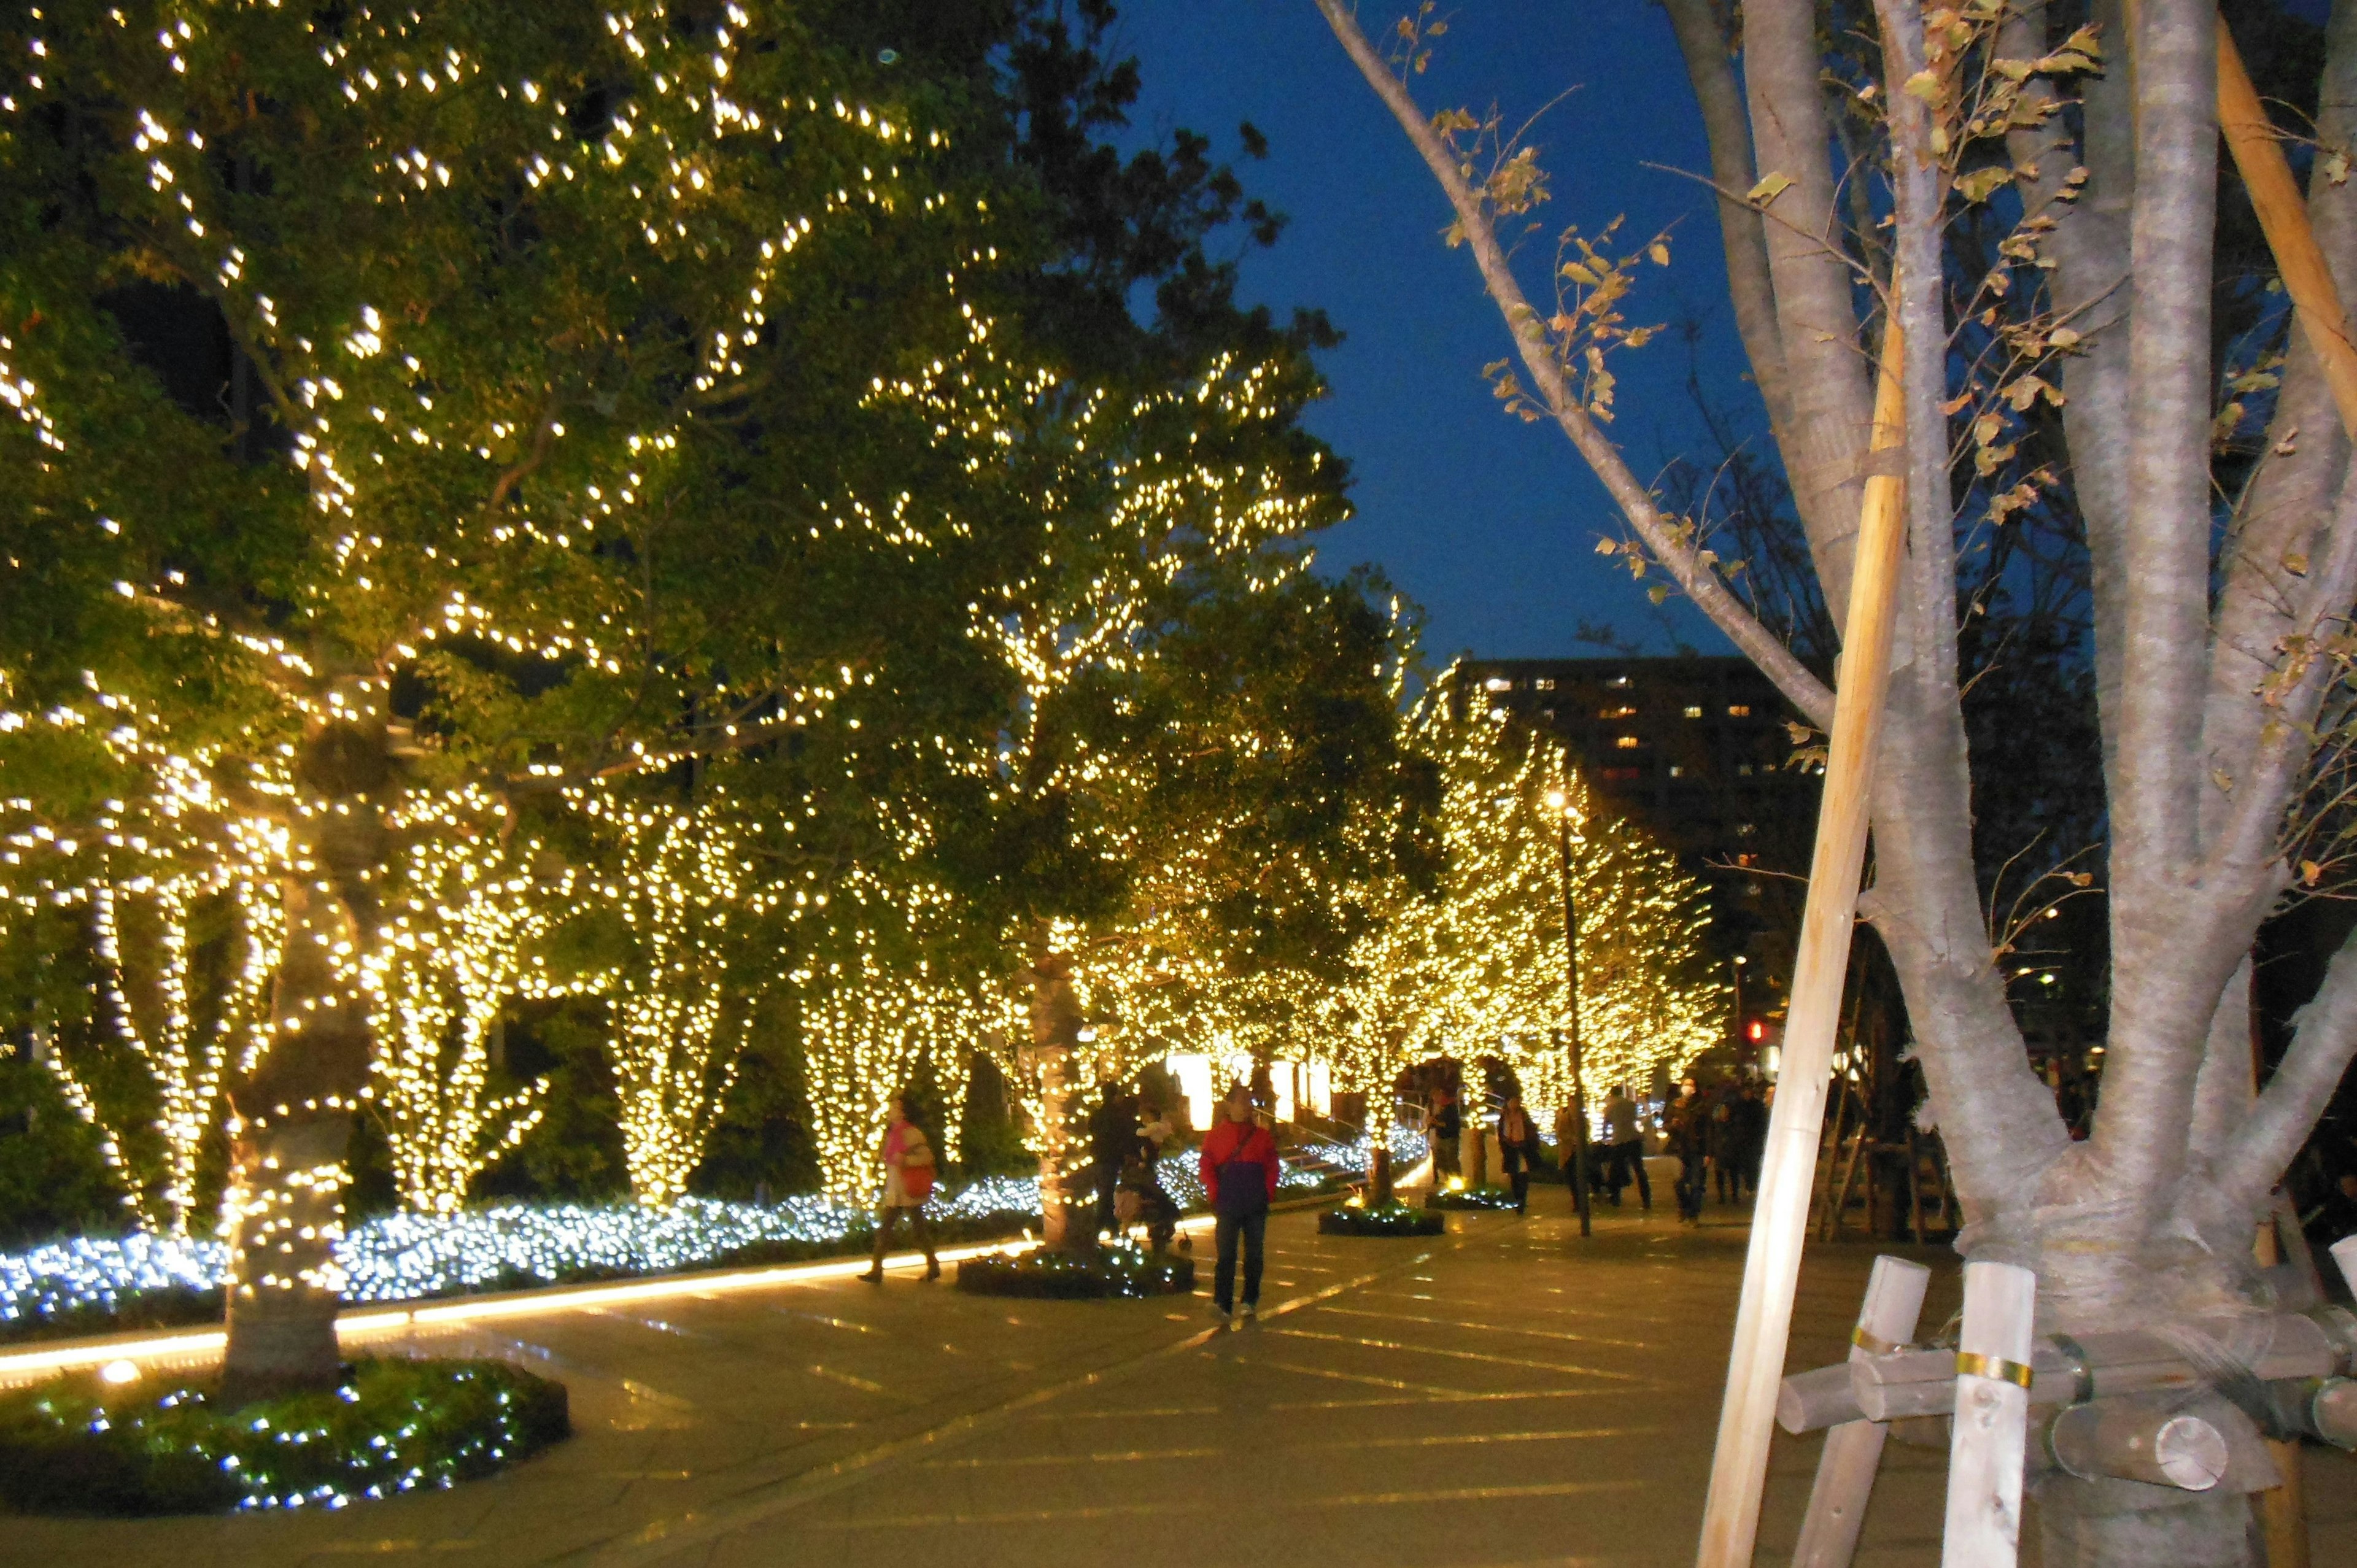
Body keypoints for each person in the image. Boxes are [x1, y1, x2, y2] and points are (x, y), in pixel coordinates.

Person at [1199, 1086, 1279, 1321]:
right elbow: (1206, 1167)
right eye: (1242, 1101)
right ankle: (1223, 1303)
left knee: (1253, 1253)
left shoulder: (1262, 1136)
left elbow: (1272, 1165)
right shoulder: (1215, 1136)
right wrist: (1215, 1193)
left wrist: (1267, 1192)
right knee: (1226, 1254)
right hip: (1228, 1201)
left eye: (1249, 1101)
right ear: (1229, 1104)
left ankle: (1250, 1299)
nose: (1246, 1106)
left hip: (1255, 1202)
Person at [858, 1095, 940, 1281]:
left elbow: (927, 1158)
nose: (890, 1111)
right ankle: (878, 1270)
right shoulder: (893, 1133)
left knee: (912, 1230)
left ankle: (879, 1270)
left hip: (909, 1190)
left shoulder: (911, 1133)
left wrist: (907, 1161)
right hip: (897, 1190)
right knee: (891, 1229)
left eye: (894, 1108)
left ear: (903, 1112)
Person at [1088, 1079, 1135, 1237]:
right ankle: (1103, 1224)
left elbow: (1092, 1131)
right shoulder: (1119, 1115)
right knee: (1107, 1191)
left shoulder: (1097, 1114)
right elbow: (1126, 1136)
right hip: (1112, 1158)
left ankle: (1106, 1224)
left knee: (1104, 1191)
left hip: (1098, 1157)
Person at [1601, 1083, 1651, 1210]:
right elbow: (1635, 1118)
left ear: (1612, 1094)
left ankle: (1616, 1197)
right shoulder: (1630, 1104)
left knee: (1615, 1169)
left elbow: (1606, 1123)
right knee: (1639, 1169)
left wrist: (1605, 1136)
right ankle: (1646, 1199)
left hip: (1620, 1140)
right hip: (1634, 1139)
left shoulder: (1610, 1106)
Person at [1666, 1077, 1708, 1224]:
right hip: (1679, 1150)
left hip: (1697, 1150)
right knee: (1679, 1182)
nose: (1688, 1088)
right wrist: (1673, 1125)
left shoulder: (1701, 1107)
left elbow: (1708, 1130)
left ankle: (1693, 1215)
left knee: (1697, 1184)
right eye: (1685, 1085)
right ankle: (1684, 1207)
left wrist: (1708, 1152)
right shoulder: (1675, 1105)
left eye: (1691, 1085)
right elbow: (1666, 1126)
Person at [1496, 1094, 1542, 1214]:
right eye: (1512, 1102)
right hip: (1510, 1149)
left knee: (1523, 1176)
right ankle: (1517, 1199)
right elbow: (1501, 1134)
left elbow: (1530, 1131)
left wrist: (1530, 1144)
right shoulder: (1504, 1117)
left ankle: (1522, 1200)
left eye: (1516, 1102)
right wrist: (1504, 1146)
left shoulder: (1524, 1116)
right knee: (1514, 1177)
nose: (1514, 1105)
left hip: (1523, 1148)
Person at [1426, 1087, 1461, 1185]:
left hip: (1450, 1137)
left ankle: (1456, 1179)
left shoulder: (1450, 1108)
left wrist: (1437, 1123)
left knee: (1451, 1159)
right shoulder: (1441, 1108)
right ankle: (1449, 1177)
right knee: (1440, 1159)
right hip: (1441, 1137)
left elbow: (1450, 1124)